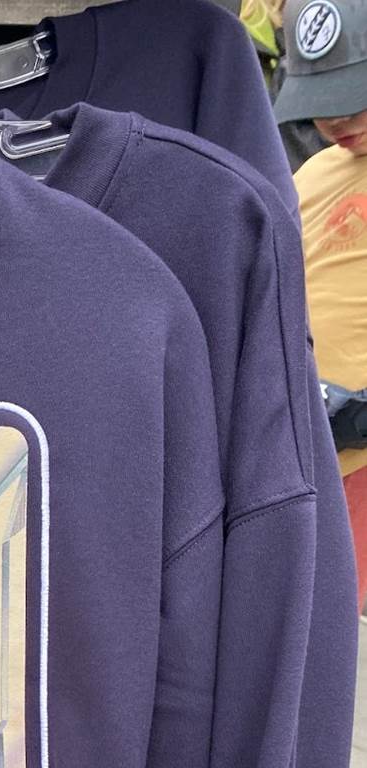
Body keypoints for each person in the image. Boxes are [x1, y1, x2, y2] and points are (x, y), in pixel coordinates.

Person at [277, 0, 367, 608]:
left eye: (353, 95)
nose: (335, 117)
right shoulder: (313, 175)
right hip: (306, 465)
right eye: (321, 98)